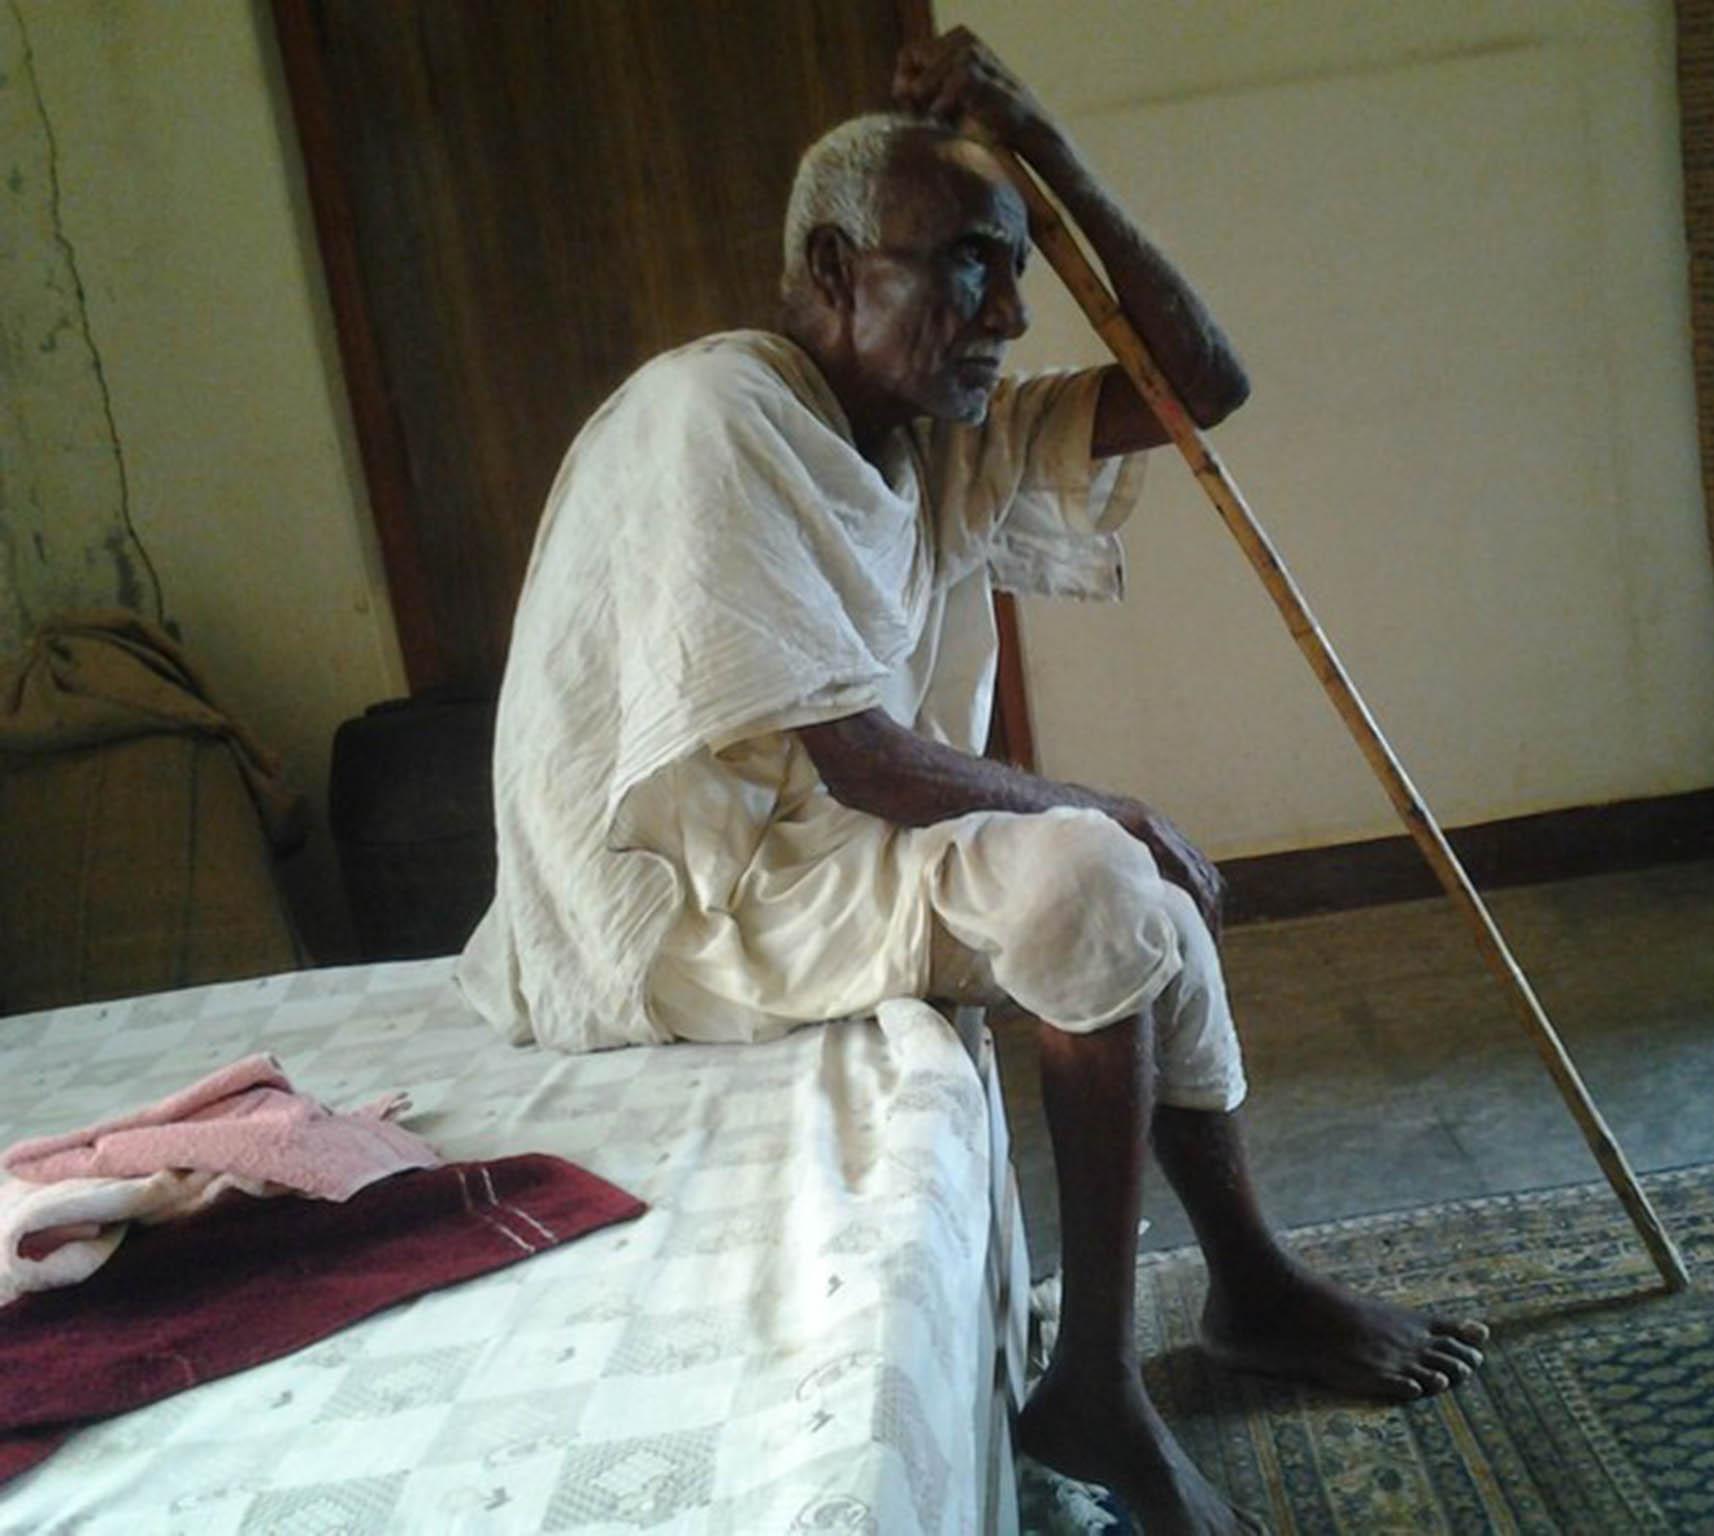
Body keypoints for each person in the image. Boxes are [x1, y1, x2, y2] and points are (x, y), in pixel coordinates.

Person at [459, 27, 1486, 1534]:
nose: (1007, 309)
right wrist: (1104, 812)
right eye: (964, 269)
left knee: (1112, 891)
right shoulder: (717, 416)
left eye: (1015, 270)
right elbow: (863, 760)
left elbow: (1200, 385)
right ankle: (1096, 1389)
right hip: (687, 913)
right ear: (831, 268)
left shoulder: (932, 435)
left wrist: (1042, 144)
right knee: (1089, 869)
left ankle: (1252, 1286)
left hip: (811, 863)